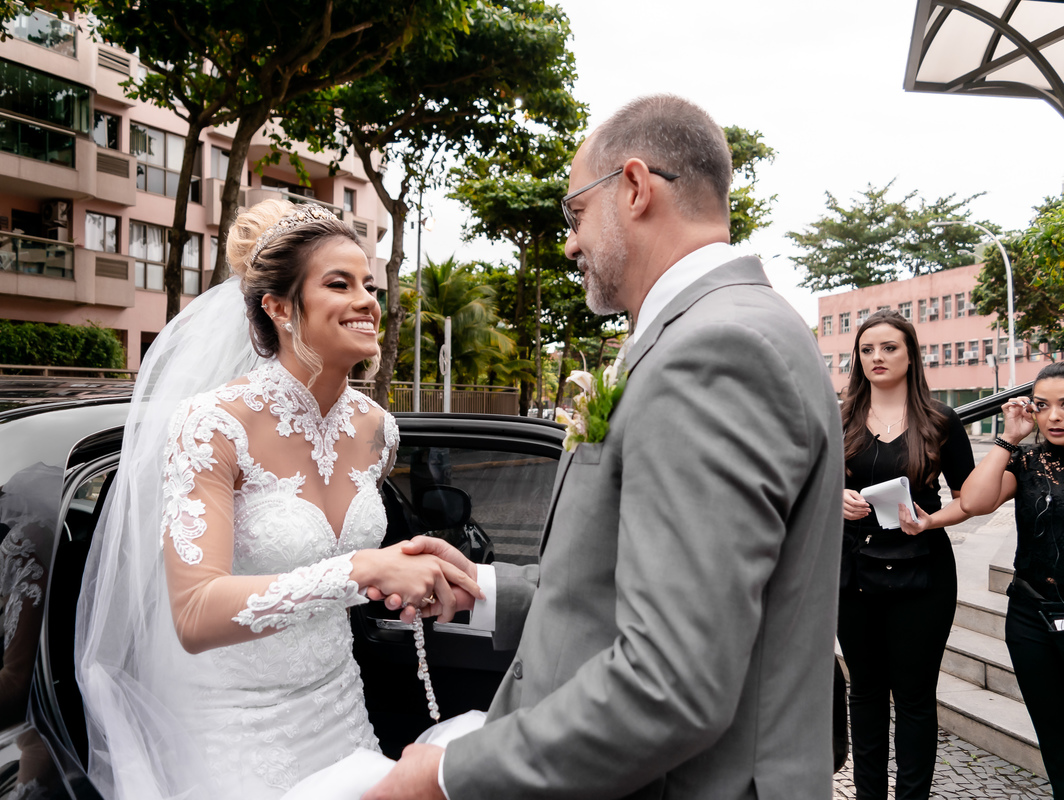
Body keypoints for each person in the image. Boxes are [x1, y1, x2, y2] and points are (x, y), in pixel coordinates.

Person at [364, 93, 845, 800]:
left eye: (575, 213)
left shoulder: (715, 351)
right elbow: (627, 585)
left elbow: (670, 684)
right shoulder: (720, 330)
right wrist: (482, 587)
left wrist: (440, 776)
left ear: (635, 186)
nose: (569, 242)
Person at [75, 199, 481, 800]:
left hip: (340, 709)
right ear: (280, 307)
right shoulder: (212, 426)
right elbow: (194, 614)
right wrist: (363, 567)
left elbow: (345, 573)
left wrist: (404, 576)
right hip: (232, 731)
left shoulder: (377, 431)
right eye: (339, 283)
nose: (367, 299)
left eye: (368, 283)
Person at [837, 310, 975, 800]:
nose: (877, 357)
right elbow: (807, 489)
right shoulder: (840, 417)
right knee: (866, 694)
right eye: (868, 348)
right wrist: (836, 499)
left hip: (925, 572)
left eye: (890, 347)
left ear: (912, 353)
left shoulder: (941, 419)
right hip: (852, 571)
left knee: (915, 699)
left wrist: (932, 519)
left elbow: (968, 497)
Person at [959, 363, 1064, 796]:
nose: (1055, 416)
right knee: (1056, 741)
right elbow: (974, 499)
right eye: (1044, 406)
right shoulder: (1025, 461)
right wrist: (1008, 437)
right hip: (1031, 615)